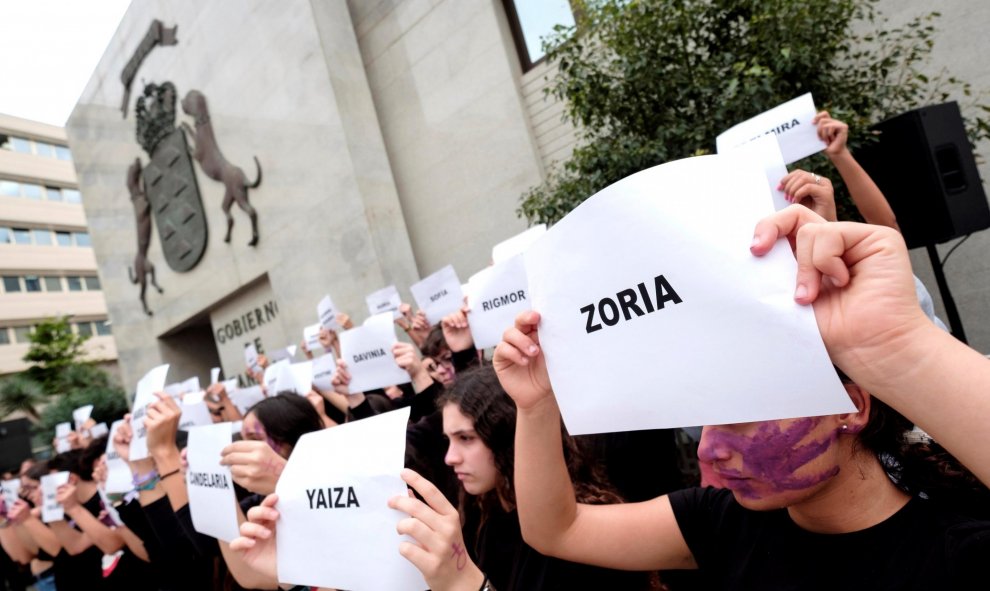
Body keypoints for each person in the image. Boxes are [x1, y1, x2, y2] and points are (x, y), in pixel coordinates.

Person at [492, 206, 990, 589]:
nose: (707, 450)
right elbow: (556, 530)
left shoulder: (958, 551)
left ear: (851, 407)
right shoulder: (726, 522)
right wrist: (535, 407)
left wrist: (898, 344)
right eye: (705, 420)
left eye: (742, 417)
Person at [231, 365, 657, 590]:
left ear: (509, 435)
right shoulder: (479, 508)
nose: (450, 457)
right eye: (448, 438)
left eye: (467, 438)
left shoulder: (583, 529)